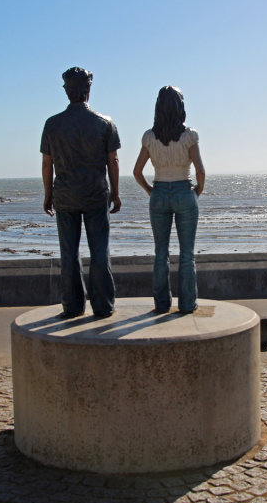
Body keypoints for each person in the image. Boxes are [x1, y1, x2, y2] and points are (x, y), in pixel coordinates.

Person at [40, 67, 121, 318]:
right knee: (99, 252)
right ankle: (103, 305)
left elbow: (47, 164)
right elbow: (113, 161)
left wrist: (47, 194)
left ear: (67, 91)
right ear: (89, 89)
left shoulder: (52, 124)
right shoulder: (104, 123)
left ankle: (73, 306)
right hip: (96, 195)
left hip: (65, 196)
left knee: (69, 253)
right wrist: (116, 193)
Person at [133, 86, 206, 313]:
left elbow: (137, 171)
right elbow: (200, 171)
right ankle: (186, 304)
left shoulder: (149, 137)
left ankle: (162, 304)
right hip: (184, 190)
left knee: (161, 253)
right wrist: (197, 191)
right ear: (180, 107)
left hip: (159, 192)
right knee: (186, 253)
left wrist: (150, 191)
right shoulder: (189, 136)